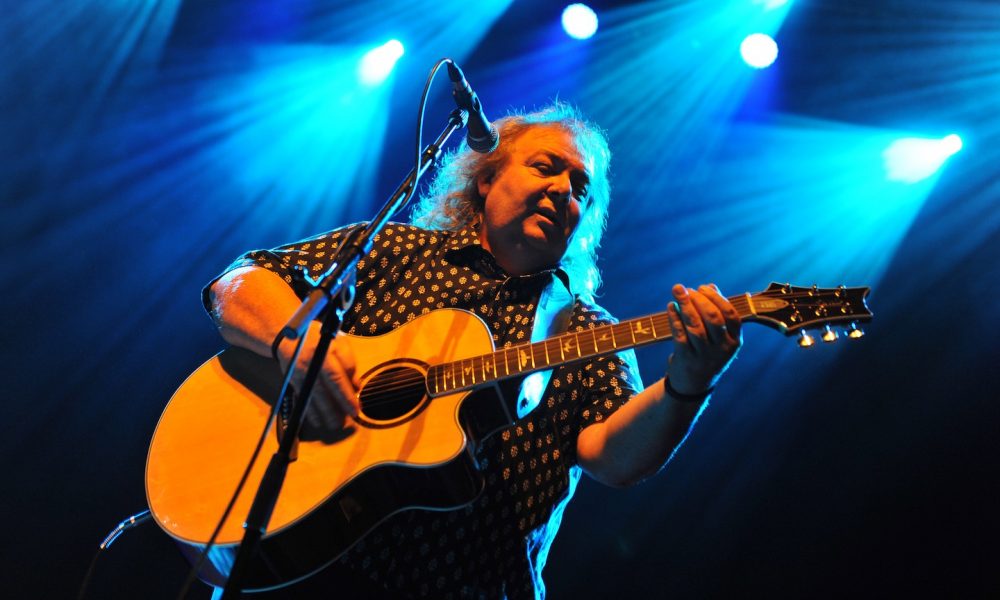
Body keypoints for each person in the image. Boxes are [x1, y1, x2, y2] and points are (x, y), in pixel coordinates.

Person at [204, 103, 742, 598]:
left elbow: (612, 458)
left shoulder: (583, 331)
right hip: (298, 563)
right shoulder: (398, 251)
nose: (564, 190)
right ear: (486, 179)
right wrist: (297, 343)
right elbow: (243, 280)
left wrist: (687, 385)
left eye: (582, 187)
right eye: (546, 167)